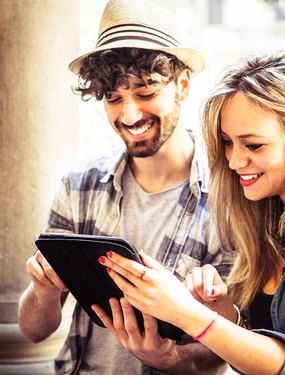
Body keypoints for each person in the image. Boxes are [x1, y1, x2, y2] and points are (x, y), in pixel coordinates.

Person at [94, 50, 285, 374]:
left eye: (253, 145)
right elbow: (263, 349)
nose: (234, 161)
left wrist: (188, 313)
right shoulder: (266, 212)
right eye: (227, 142)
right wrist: (226, 312)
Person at [17, 0, 236, 374]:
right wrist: (44, 290)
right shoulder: (79, 186)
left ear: (182, 84)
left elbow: (235, 343)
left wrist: (167, 358)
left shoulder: (232, 200)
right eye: (114, 98)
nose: (129, 115)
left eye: (146, 92)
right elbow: (34, 331)